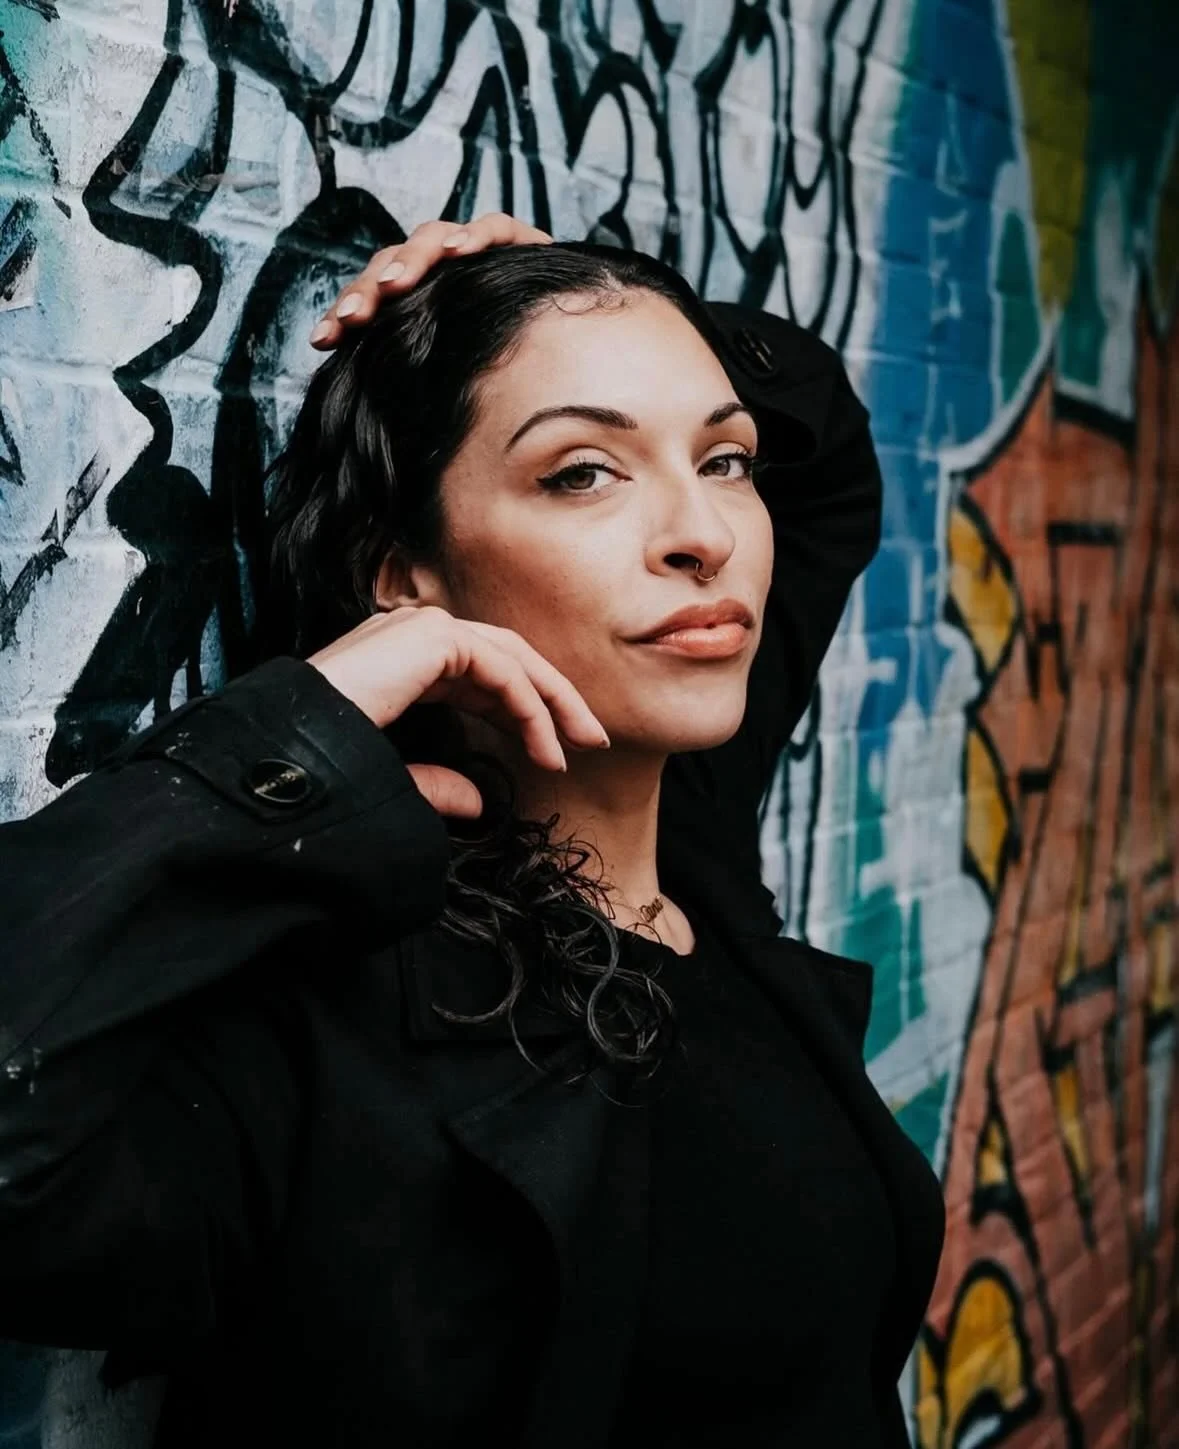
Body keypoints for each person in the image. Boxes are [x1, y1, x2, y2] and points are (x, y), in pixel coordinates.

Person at [0, 214, 944, 1448]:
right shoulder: (310, 1035)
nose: (705, 534)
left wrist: (589, 296)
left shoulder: (693, 846)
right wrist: (302, 728)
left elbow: (822, 441)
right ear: (405, 579)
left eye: (723, 461)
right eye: (582, 473)